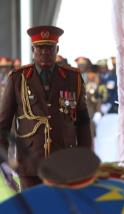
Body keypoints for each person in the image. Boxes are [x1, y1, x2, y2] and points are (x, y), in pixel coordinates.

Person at [0, 25, 92, 190]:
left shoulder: (73, 78)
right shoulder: (17, 79)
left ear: (57, 49)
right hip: (30, 165)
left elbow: (83, 123)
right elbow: (3, 125)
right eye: (40, 48)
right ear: (32, 50)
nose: (44, 53)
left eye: (49, 48)